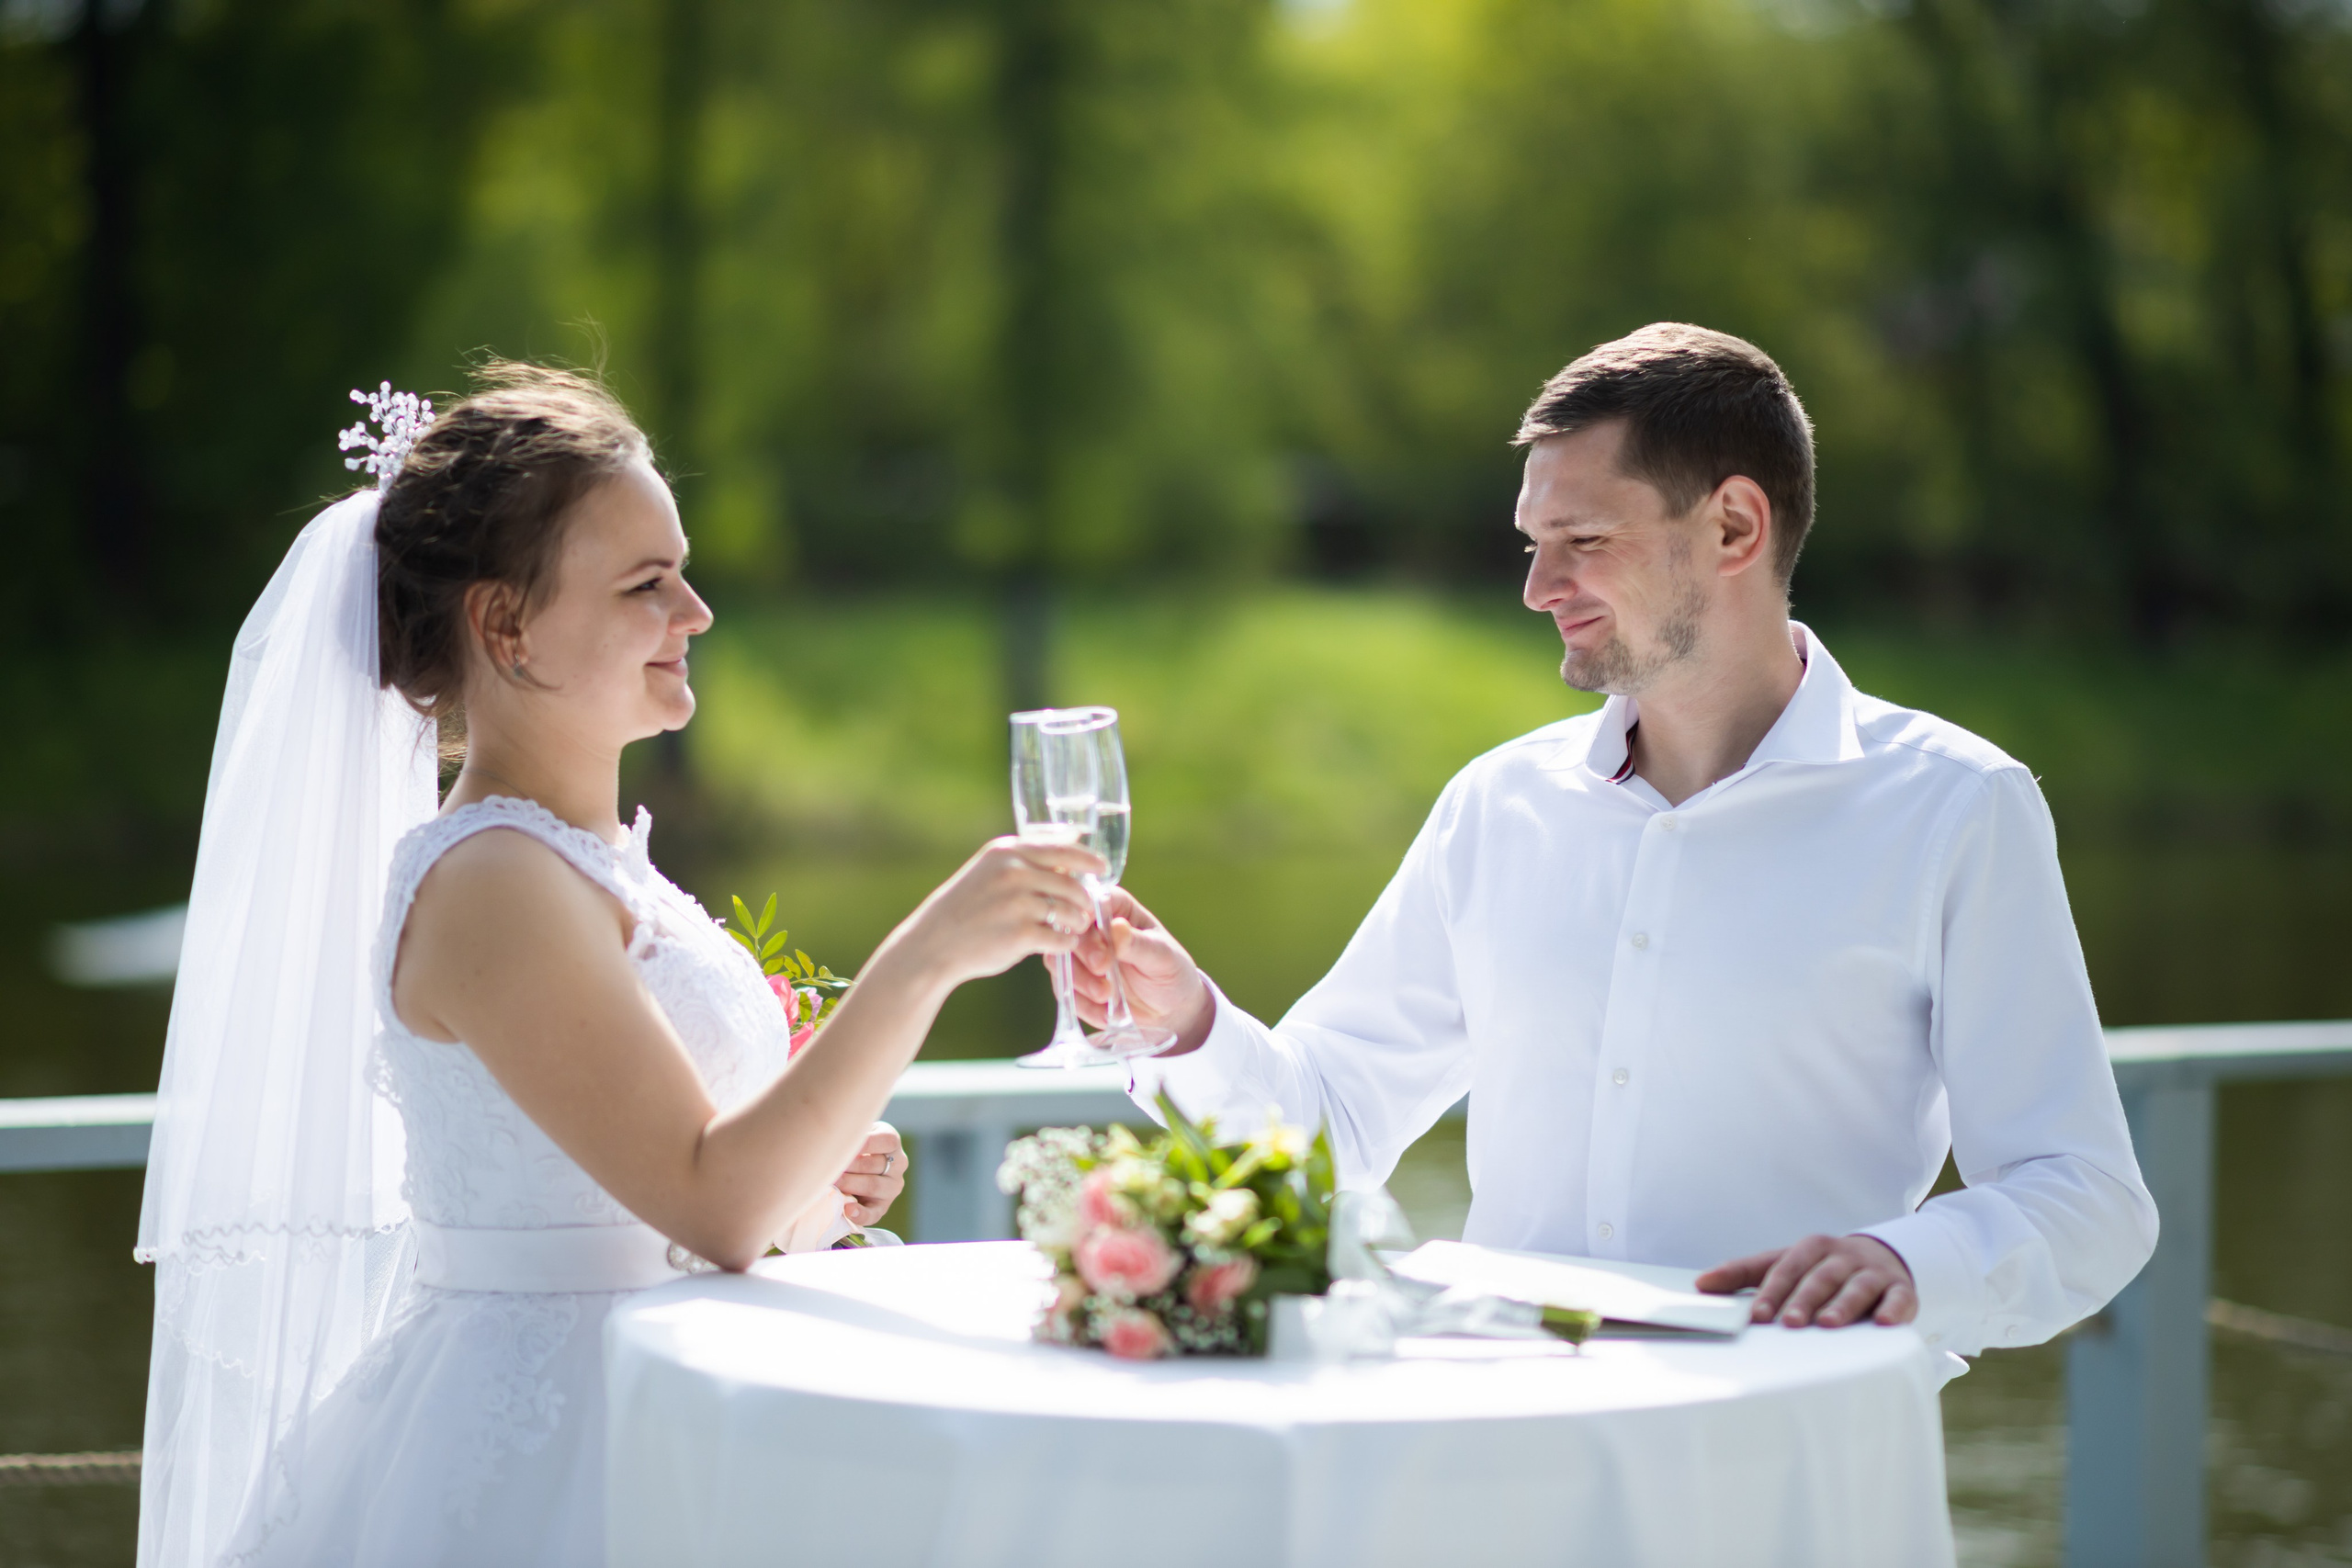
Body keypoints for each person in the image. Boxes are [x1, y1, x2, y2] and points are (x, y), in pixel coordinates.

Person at [135, 365, 1102, 1568]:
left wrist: (816, 1192)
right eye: (647, 584)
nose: (695, 612)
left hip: (676, 1397)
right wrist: (929, 955)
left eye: (681, 572)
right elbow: (710, 1204)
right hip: (562, 1447)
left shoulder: (594, 863)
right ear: (506, 626)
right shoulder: (491, 880)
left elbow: (668, 1190)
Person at [1076, 323, 2157, 1359]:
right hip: (1520, 1440)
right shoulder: (1496, 806)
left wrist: (1907, 1261)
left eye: (1584, 542)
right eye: (1535, 545)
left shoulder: (1955, 808)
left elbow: (2086, 1197)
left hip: (1792, 1449)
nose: (1538, 589)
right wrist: (1184, 1026)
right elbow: (1328, 1122)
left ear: (1734, 528)